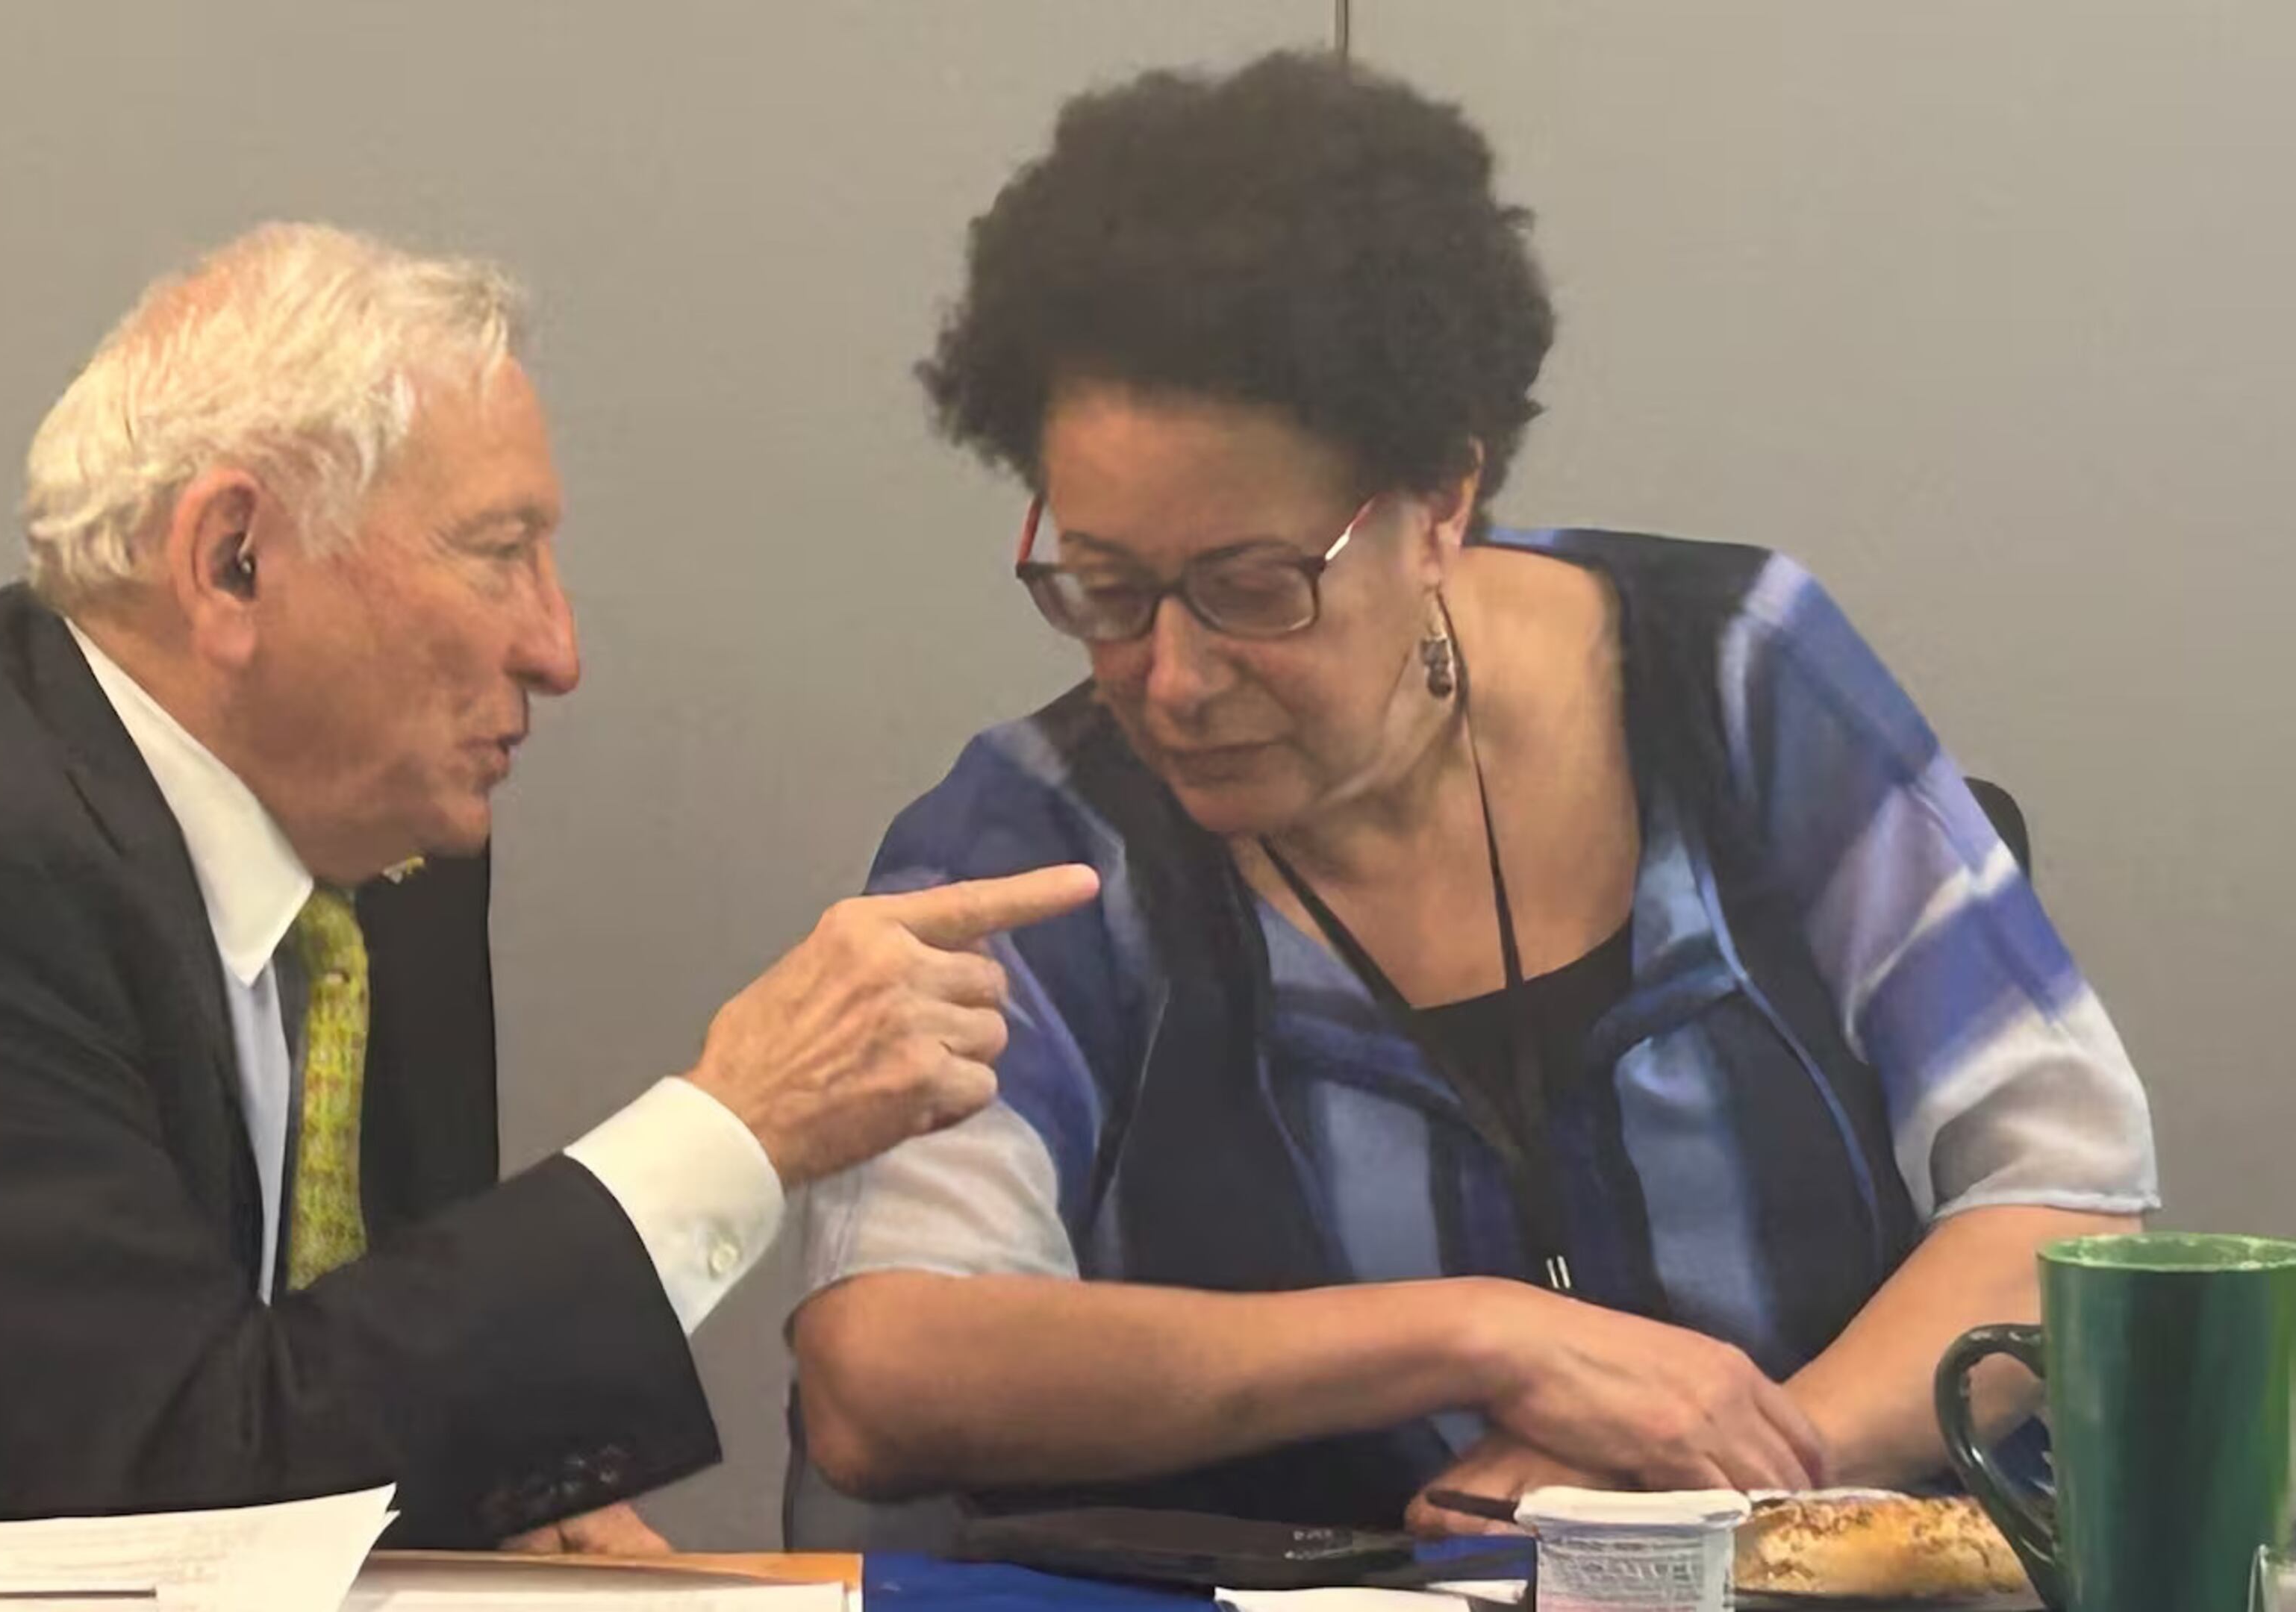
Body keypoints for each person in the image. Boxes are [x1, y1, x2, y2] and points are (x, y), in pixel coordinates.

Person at [0, 222, 1097, 1584]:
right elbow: (169, 1491)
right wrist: (735, 1124)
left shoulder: (381, 845)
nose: (558, 650)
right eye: (500, 556)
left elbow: (355, 1357)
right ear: (235, 564)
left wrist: (504, 1499)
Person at [788, 52, 2157, 1539]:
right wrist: (1474, 1332)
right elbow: (886, 1368)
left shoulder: (1744, 676)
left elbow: (2070, 1207)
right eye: (1106, 590)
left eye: (1252, 590)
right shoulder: (1033, 848)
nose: (1171, 676)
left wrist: (1716, 1483)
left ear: (1440, 503)